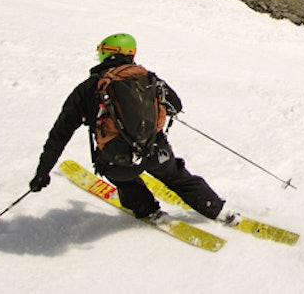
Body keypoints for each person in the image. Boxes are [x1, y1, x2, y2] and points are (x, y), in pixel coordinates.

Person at [29, 33, 240, 227]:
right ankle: (216, 209)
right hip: (155, 151)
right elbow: (176, 105)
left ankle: (148, 209)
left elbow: (59, 134)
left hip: (118, 160)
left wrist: (42, 173)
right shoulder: (149, 79)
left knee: (125, 179)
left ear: (108, 53)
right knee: (176, 176)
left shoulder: (88, 88)